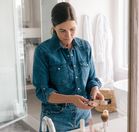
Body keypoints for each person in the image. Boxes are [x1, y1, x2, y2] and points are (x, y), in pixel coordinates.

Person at [32, 2, 104, 131]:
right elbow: (42, 92)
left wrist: (95, 89)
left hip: (84, 117)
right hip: (56, 119)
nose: (69, 36)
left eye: (72, 29)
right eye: (62, 31)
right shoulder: (43, 51)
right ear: (54, 27)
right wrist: (71, 99)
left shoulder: (85, 47)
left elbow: (92, 78)